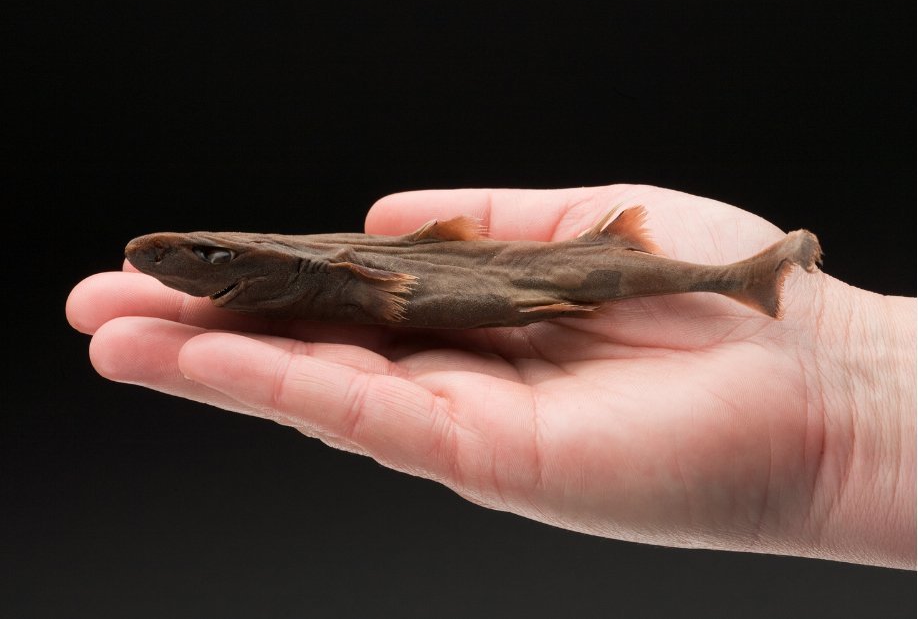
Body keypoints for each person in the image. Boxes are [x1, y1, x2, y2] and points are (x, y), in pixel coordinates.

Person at [66, 185, 916, 569]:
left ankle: (746, 277)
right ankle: (744, 279)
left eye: (208, 257)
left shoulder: (327, 269)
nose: (175, 264)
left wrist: (850, 370)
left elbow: (377, 274)